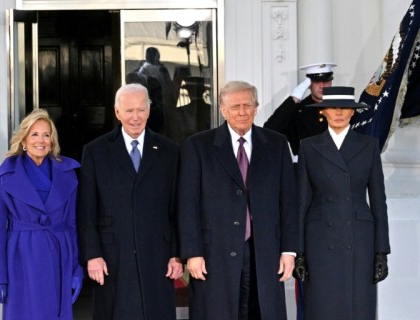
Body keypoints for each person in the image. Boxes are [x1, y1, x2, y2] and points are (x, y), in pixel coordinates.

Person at [178, 80, 299, 320]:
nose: (242, 112)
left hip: (264, 249)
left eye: (247, 105)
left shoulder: (276, 144)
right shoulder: (198, 146)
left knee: (262, 311)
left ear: (256, 107)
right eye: (235, 107)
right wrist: (192, 252)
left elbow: (289, 201)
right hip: (215, 252)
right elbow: (187, 204)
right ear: (223, 110)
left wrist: (289, 250)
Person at [77, 83, 183, 320]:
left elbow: (177, 207)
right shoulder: (95, 151)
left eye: (141, 110)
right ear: (117, 112)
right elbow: (86, 209)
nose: (135, 117)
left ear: (149, 110)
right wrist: (92, 255)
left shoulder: (169, 151)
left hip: (158, 253)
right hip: (111, 255)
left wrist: (176, 253)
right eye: (128, 111)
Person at [294, 86, 390, 320]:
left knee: (358, 307)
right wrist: (299, 252)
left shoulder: (369, 146)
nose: (339, 112)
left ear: (352, 112)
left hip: (359, 241)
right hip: (319, 239)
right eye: (333, 107)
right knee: (321, 306)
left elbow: (378, 201)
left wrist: (381, 252)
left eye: (345, 108)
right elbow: (301, 202)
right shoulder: (308, 146)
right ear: (323, 111)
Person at [0, 108, 83, 319]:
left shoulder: (68, 173)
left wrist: (76, 269)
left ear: (52, 141)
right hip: (21, 258)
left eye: (46, 135)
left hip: (60, 254)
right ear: (23, 140)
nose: (41, 140)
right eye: (35, 134)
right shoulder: (5, 174)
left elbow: (73, 224)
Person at [264, 62, 336, 157]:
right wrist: (294, 98)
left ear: (331, 82)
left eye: (326, 81)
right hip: (305, 168)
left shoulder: (342, 108)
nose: (322, 86)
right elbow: (269, 131)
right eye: (316, 81)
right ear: (309, 84)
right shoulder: (297, 110)